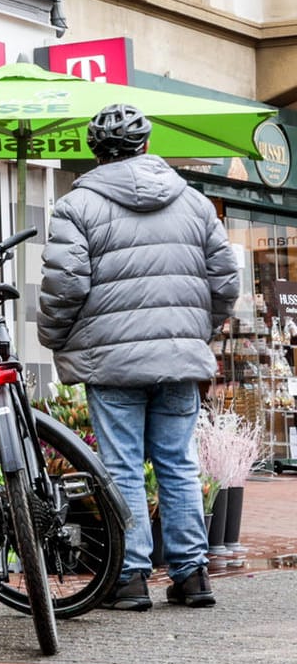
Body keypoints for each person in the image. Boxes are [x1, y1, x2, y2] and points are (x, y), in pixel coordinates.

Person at [38, 104, 237, 611]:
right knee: (178, 463)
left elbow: (65, 285)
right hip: (178, 356)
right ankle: (193, 577)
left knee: (122, 466)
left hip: (111, 361)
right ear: (146, 146)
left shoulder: (76, 206)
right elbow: (225, 283)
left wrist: (54, 337)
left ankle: (129, 578)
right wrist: (197, 331)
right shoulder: (193, 203)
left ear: (95, 153)